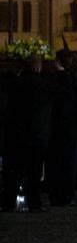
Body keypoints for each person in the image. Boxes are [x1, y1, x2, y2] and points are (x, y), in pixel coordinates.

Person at [1, 56, 53, 212]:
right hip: (37, 136)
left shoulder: (14, 84)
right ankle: (34, 203)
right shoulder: (44, 85)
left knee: (13, 172)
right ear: (38, 68)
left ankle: (8, 203)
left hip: (16, 135)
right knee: (34, 173)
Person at [47, 50, 77, 207]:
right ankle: (67, 195)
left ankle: (55, 195)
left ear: (57, 62)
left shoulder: (52, 80)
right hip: (72, 129)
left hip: (54, 128)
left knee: (54, 162)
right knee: (70, 163)